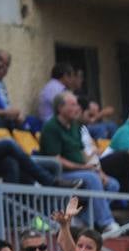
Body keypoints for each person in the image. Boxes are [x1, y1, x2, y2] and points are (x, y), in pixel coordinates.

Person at [38, 92, 121, 234]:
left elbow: (83, 153)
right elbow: (56, 159)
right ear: (60, 108)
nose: (77, 108)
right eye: (73, 105)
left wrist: (97, 170)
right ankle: (107, 223)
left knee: (112, 184)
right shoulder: (51, 127)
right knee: (92, 179)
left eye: (77, 104)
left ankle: (83, 219)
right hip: (59, 174)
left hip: (80, 171)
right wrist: (85, 168)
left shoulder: (75, 125)